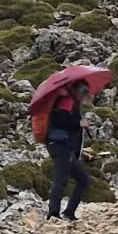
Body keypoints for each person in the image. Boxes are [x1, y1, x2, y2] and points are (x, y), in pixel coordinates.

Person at [43, 79, 93, 221]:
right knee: (60, 180)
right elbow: (57, 119)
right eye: (83, 91)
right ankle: (53, 214)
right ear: (76, 90)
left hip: (66, 148)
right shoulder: (66, 101)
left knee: (84, 180)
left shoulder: (73, 104)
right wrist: (78, 122)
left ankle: (69, 212)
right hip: (60, 146)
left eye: (86, 92)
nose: (84, 95)